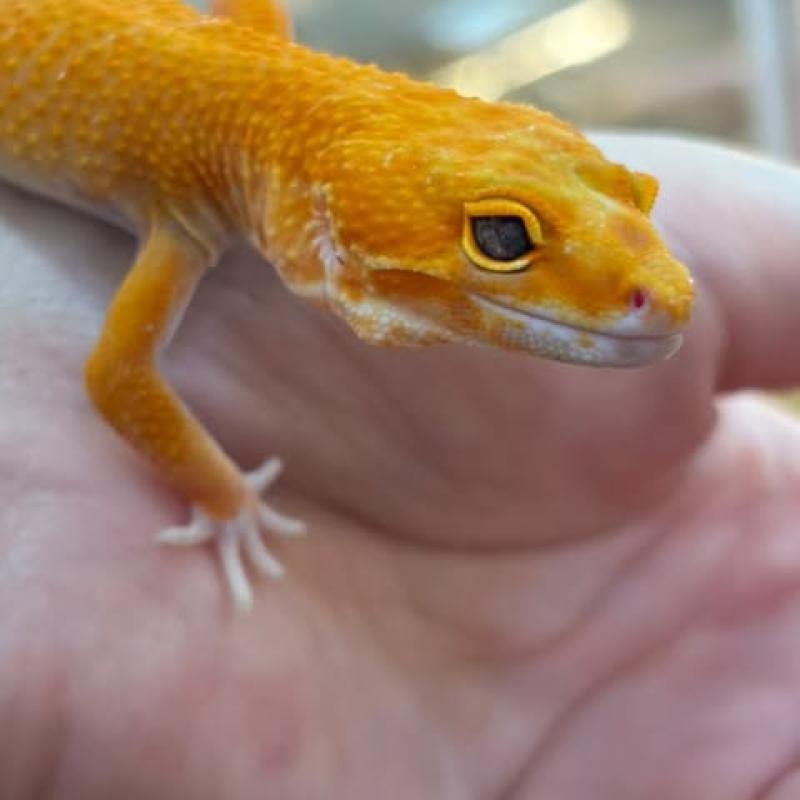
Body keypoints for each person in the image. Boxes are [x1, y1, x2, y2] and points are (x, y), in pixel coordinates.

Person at [2, 133, 800, 799]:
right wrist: (226, 499)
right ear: (325, 212)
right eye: (504, 238)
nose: (664, 288)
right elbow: (117, 378)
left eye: (628, 199)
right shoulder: (197, 194)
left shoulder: (239, 142)